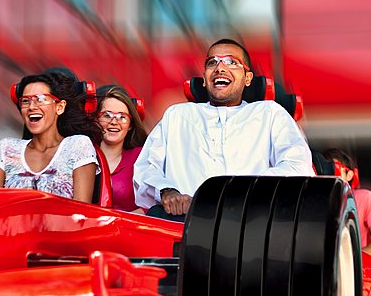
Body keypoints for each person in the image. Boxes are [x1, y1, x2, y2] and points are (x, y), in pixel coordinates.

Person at [134, 38, 313, 219]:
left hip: (250, 223)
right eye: (212, 62)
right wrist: (166, 191)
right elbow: (146, 168)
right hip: (184, 224)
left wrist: (247, 191)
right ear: (204, 78)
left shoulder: (269, 113)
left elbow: (297, 166)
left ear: (248, 78)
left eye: (231, 62)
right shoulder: (177, 115)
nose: (220, 68)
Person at [0, 70, 101, 203]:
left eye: (40, 99)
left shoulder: (78, 145)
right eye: (25, 101)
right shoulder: (6, 148)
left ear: (60, 107)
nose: (31, 107)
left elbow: (81, 211)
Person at [323, 147, 371, 267]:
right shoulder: (316, 200)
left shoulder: (363, 197)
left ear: (349, 174)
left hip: (357, 272)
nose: (329, 175)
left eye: (334, 169)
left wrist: (352, 263)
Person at [95, 84, 148, 213]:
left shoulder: (140, 157)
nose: (114, 122)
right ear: (96, 119)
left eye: (122, 117)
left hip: (127, 230)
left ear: (130, 125)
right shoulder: (82, 153)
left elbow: (150, 205)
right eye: (107, 115)